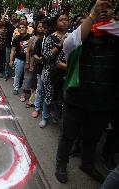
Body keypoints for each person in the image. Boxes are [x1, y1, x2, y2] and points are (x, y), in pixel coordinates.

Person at [55, 0, 119, 184]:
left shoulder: (116, 34)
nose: (104, 12)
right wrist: (92, 16)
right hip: (77, 97)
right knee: (68, 135)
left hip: (103, 100)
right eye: (100, 8)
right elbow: (68, 45)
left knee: (92, 137)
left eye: (108, 8)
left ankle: (87, 163)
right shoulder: (81, 34)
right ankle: (61, 163)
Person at [38, 13, 68, 128]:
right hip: (51, 73)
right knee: (49, 96)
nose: (64, 22)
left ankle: (57, 117)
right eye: (61, 20)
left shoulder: (72, 36)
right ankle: (45, 117)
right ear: (56, 23)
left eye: (66, 19)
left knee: (61, 98)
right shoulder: (50, 38)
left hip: (66, 73)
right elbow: (46, 56)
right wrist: (60, 44)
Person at [9, 22, 30, 95]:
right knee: (17, 75)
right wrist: (11, 60)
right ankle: (15, 88)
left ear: (26, 28)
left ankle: (26, 89)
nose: (21, 29)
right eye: (20, 28)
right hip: (19, 59)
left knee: (27, 76)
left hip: (28, 60)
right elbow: (13, 50)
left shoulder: (30, 37)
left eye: (23, 27)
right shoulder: (16, 38)